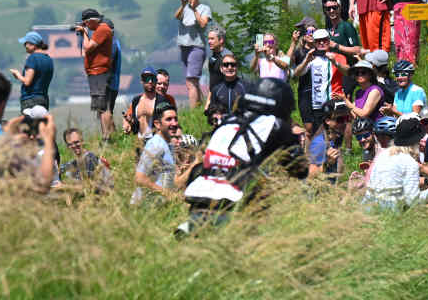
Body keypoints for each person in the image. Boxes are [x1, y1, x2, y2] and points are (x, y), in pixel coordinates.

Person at [178, 78, 309, 236]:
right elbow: (300, 171)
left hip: (197, 200)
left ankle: (190, 227)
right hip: (230, 204)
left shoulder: (227, 121)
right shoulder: (274, 125)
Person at [362, 114, 426, 209]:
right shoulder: (409, 162)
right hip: (388, 211)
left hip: (366, 207)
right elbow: (412, 200)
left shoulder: (382, 155)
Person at [292, 29, 347, 136]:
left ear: (329, 41)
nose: (322, 43)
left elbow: (347, 71)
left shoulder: (338, 56)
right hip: (317, 104)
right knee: (319, 135)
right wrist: (306, 60)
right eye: (318, 41)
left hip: (334, 102)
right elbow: (297, 73)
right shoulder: (311, 57)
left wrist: (335, 62)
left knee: (337, 135)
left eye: (324, 40)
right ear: (314, 43)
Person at [132, 102, 189, 204]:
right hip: (144, 206)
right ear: (157, 124)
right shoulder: (155, 145)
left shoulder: (168, 145)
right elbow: (139, 178)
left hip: (159, 206)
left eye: (175, 119)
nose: (174, 123)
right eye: (169, 119)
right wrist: (168, 194)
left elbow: (170, 181)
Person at [76, 8, 115, 137]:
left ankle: (107, 137)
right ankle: (106, 135)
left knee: (103, 107)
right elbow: (86, 51)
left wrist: (84, 33)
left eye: (86, 23)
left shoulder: (102, 30)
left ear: (92, 20)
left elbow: (87, 48)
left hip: (99, 72)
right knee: (100, 107)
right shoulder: (100, 30)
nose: (86, 26)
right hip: (96, 73)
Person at [174, 0, 211, 109]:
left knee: (191, 80)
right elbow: (176, 16)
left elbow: (203, 24)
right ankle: (199, 107)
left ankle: (193, 110)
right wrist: (183, 5)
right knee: (190, 82)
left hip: (196, 47)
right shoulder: (184, 8)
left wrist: (194, 9)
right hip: (184, 47)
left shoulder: (204, 8)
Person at [10, 31, 54, 112]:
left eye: (25, 44)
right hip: (44, 100)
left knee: (29, 120)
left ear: (33, 45)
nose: (25, 46)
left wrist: (17, 75)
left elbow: (27, 82)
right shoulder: (49, 59)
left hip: (30, 100)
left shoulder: (32, 58)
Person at [124, 67, 168, 137]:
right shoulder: (136, 100)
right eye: (147, 78)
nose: (150, 81)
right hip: (139, 141)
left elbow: (167, 123)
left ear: (156, 81)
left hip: (155, 140)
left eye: (152, 79)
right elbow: (135, 126)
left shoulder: (162, 100)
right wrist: (130, 124)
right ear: (142, 81)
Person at [103, 18, 122, 117]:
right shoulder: (114, 42)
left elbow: (107, 64)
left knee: (106, 113)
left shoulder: (111, 44)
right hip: (112, 84)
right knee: (107, 113)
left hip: (109, 84)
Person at [205, 27, 229, 99]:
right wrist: (208, 101)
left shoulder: (227, 57)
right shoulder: (213, 57)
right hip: (214, 97)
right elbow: (212, 83)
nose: (209, 41)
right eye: (208, 39)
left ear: (221, 40)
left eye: (212, 39)